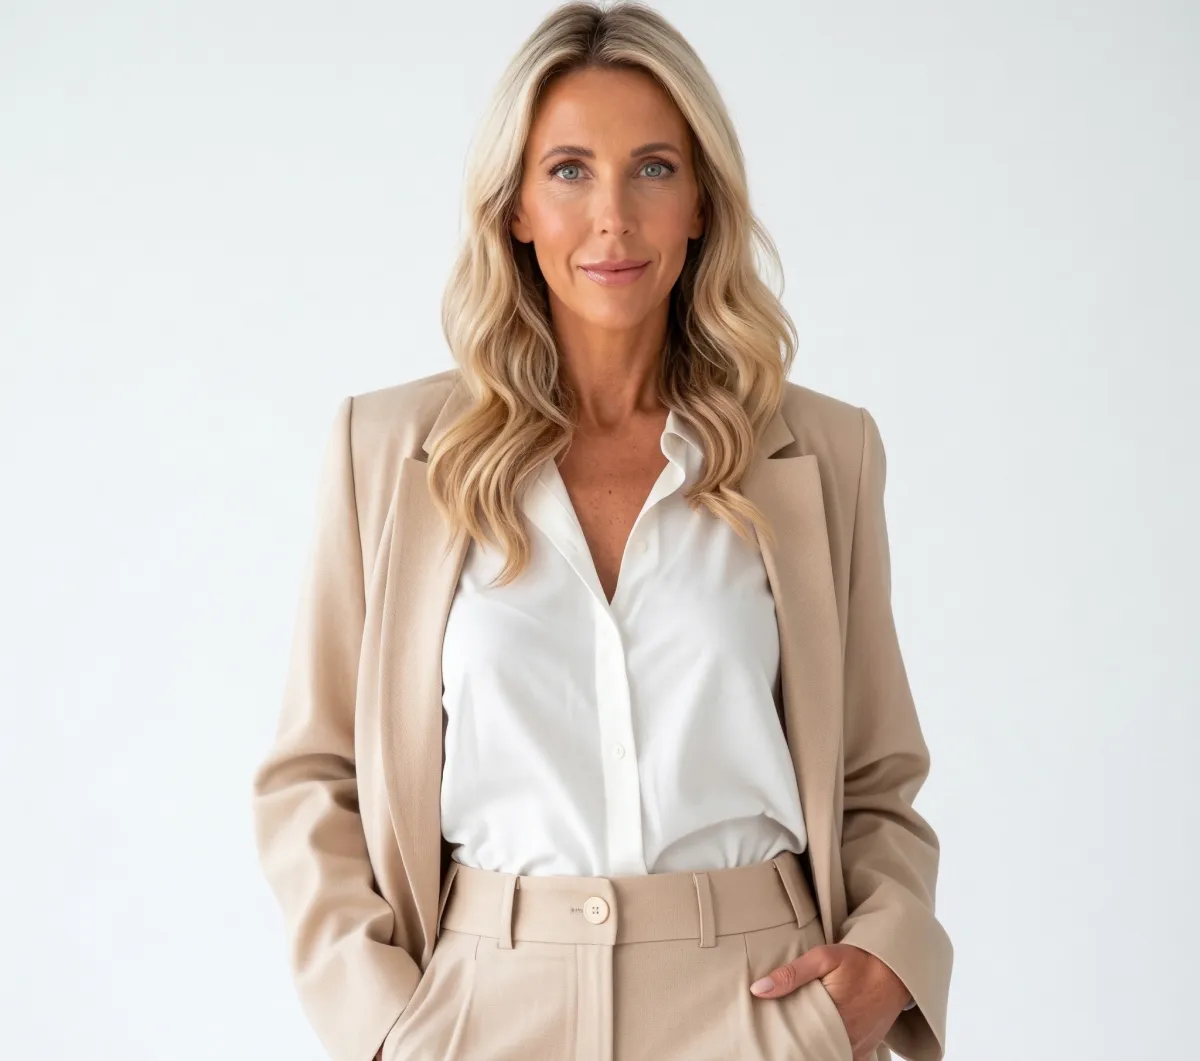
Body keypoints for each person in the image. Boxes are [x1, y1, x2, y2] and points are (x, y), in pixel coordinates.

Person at [249, 3, 953, 1060]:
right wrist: (385, 1024)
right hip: (485, 1005)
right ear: (516, 206)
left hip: (757, 1000)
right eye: (570, 170)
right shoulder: (389, 451)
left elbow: (874, 773)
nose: (613, 217)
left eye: (653, 168)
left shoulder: (819, 452)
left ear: (702, 201)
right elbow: (314, 774)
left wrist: (883, 963)